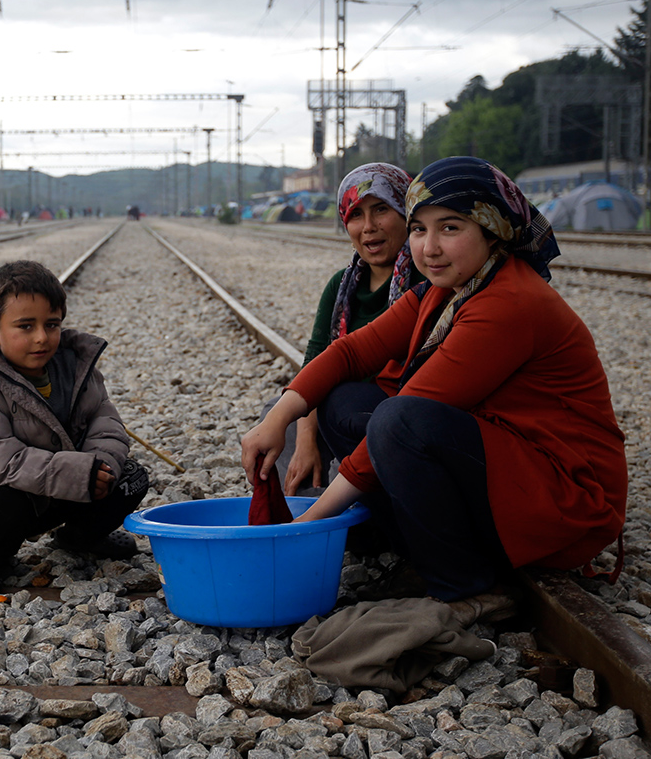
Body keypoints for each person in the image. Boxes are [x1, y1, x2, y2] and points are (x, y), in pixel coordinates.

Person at [241, 156, 627, 617]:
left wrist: (307, 524)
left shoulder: (509, 302)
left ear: (492, 229)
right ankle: (421, 549)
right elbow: (350, 352)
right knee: (345, 402)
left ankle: (464, 584)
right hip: (512, 454)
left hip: (567, 494)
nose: (429, 248)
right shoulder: (444, 289)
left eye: (449, 228)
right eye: (419, 229)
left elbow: (410, 410)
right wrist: (278, 418)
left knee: (398, 421)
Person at [0, 260, 149, 595]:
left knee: (131, 477)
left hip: (76, 483)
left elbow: (105, 422)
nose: (42, 338)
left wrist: (99, 465)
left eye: (52, 324)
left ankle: (79, 537)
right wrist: (76, 472)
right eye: (26, 327)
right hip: (17, 491)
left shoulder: (76, 367)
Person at [267, 163, 420, 496]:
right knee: (278, 416)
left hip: (388, 420)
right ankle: (326, 502)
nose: (368, 227)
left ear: (407, 213)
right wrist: (305, 443)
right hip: (336, 415)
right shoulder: (342, 285)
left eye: (381, 209)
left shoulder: (427, 281)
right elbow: (314, 364)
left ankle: (345, 505)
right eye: (355, 215)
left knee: (344, 406)